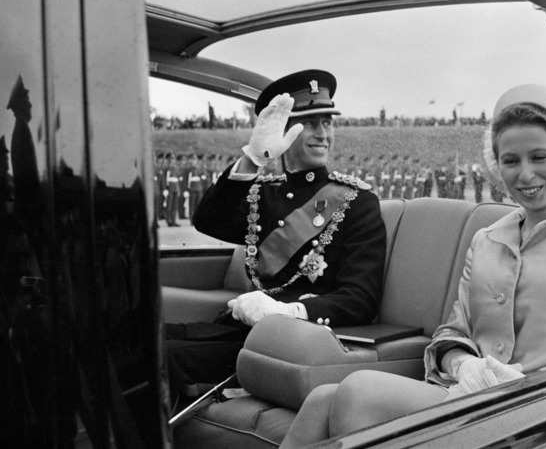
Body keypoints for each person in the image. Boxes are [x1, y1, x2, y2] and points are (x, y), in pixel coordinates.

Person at [280, 84, 546, 448]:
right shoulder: (487, 239)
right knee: (322, 400)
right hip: (477, 399)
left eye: (539, 157)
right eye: (510, 161)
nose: (524, 174)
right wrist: (463, 364)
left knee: (360, 391)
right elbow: (452, 330)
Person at [165, 69, 386, 403]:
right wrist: (251, 160)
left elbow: (360, 299)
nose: (323, 133)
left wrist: (284, 312)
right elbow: (207, 220)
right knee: (135, 341)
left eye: (327, 122)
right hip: (240, 333)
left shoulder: (357, 202)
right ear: (283, 131)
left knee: (161, 359)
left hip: (290, 343)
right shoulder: (262, 195)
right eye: (310, 123)